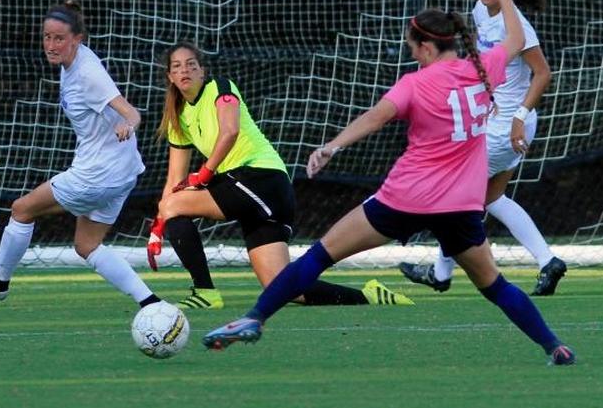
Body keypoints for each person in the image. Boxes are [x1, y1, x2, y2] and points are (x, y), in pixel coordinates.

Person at [202, 0, 575, 365]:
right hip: (460, 206)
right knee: (496, 286)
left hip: (405, 199)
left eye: (413, 47)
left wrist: (332, 146)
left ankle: (255, 318)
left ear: (427, 48)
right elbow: (517, 36)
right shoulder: (482, 70)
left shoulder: (415, 83)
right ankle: (554, 345)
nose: (412, 53)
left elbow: (375, 118)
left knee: (319, 256)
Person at [148, 42, 413, 310]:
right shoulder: (178, 117)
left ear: (203, 71)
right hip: (253, 190)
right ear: (169, 76)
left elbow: (230, 131)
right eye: (177, 66)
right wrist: (158, 229)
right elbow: (174, 181)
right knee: (283, 287)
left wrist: (204, 175)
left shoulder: (220, 88)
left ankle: (205, 292)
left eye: (191, 64)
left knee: (175, 205)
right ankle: (370, 297)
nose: (185, 70)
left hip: (261, 178)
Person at [0, 0, 161, 309]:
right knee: (87, 245)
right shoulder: (76, 60)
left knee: (22, 209)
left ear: (77, 39)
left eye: (59, 38)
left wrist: (128, 125)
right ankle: (151, 303)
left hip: (96, 175)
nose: (51, 45)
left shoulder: (88, 74)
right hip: (124, 174)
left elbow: (130, 112)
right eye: (47, 37)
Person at [399, 0, 566, 296]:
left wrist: (517, 118)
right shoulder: (479, 10)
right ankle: (548, 261)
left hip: (511, 124)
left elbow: (543, 73)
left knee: (451, 193)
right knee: (491, 197)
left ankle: (441, 273)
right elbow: (483, 58)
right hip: (496, 121)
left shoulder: (515, 22)